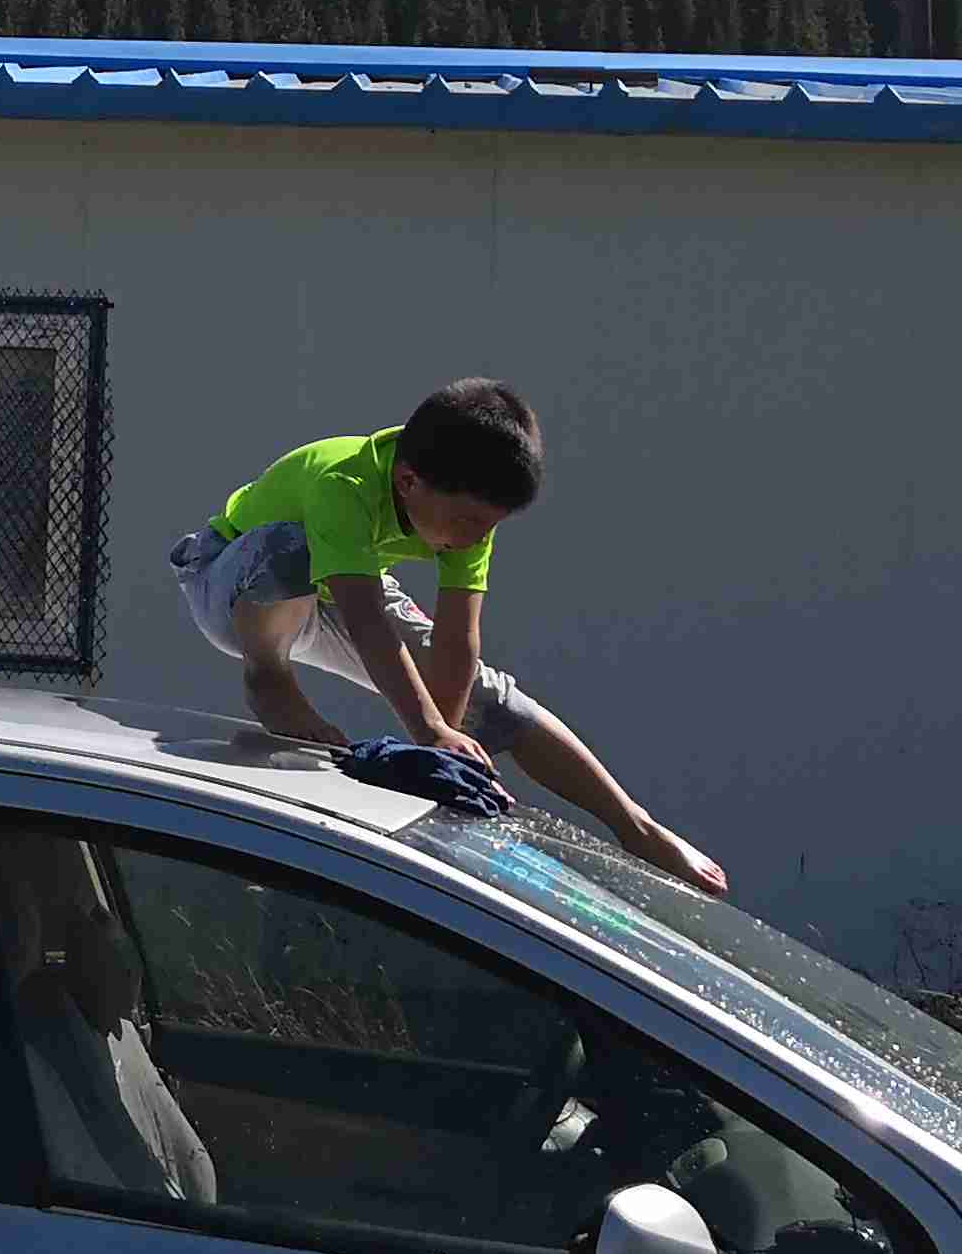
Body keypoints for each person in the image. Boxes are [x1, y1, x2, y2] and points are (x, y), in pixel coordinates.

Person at [169, 381, 729, 893]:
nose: (474, 539)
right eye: (466, 525)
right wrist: (428, 727)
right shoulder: (344, 483)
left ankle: (637, 826)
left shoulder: (465, 516)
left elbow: (460, 639)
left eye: (488, 528)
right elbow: (367, 619)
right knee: (292, 547)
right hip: (232, 584)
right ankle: (269, 674)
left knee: (494, 702)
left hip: (339, 592)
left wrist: (448, 740)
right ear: (408, 481)